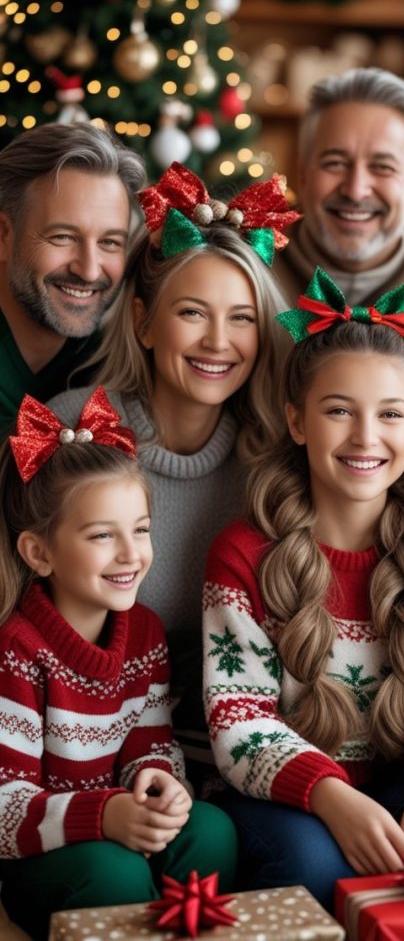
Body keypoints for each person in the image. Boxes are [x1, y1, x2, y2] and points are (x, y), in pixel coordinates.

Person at [203, 268, 404, 911]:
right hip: (286, 796)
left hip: (395, 780)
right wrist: (330, 797)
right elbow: (239, 719)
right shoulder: (242, 553)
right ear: (297, 421)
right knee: (314, 864)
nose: (365, 436)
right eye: (338, 411)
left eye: (389, 415)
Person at [49, 163, 294, 790]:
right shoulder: (72, 428)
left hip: (227, 744)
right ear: (143, 321)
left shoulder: (272, 463)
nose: (218, 341)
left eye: (241, 318)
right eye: (192, 312)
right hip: (75, 742)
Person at [0, 389, 237, 940]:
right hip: (41, 857)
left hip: (119, 822)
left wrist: (158, 782)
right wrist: (104, 815)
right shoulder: (17, 650)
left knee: (210, 831)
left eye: (141, 529)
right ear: (39, 553)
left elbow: (149, 743)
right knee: (116, 871)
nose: (131, 554)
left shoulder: (144, 633)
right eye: (103, 536)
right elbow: (6, 808)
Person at [276, 67, 404, 342]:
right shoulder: (250, 273)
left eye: (382, 167)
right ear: (303, 175)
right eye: (335, 163)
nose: (355, 191)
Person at [0, 122, 146, 435]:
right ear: (3, 235)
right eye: (63, 237)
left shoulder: (114, 368)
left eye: (110, 242)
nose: (89, 270)